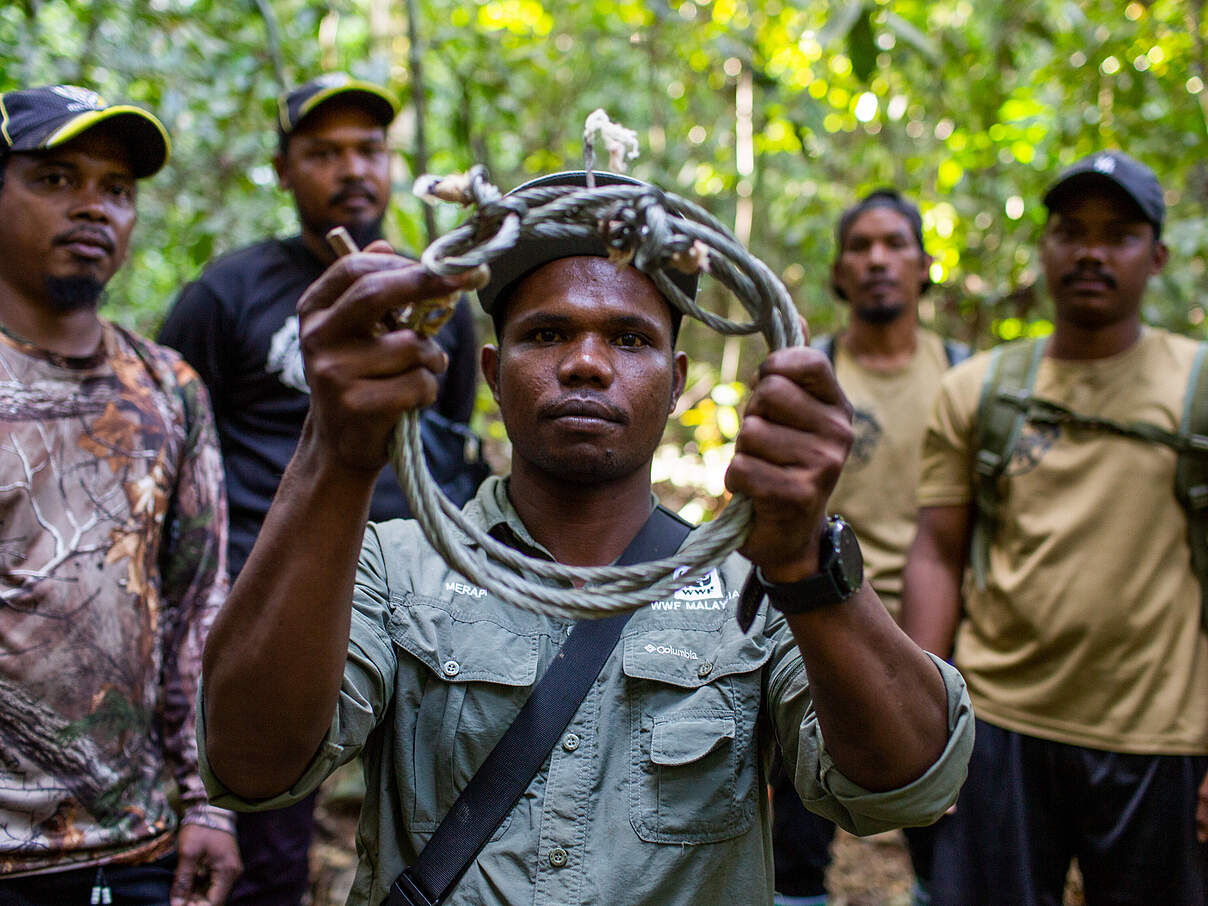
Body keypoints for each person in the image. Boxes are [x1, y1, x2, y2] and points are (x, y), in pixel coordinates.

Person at [198, 170, 974, 906]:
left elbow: (906, 784)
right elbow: (251, 765)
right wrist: (333, 452)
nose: (586, 364)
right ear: (494, 376)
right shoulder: (394, 566)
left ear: (676, 383)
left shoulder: (752, 588)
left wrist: (809, 562)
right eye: (547, 333)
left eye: (629, 340)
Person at [158, 74, 483, 905]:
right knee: (268, 837)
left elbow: (440, 444)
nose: (351, 168)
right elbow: (180, 447)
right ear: (281, 169)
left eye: (368, 149)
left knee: (446, 817)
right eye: (322, 151)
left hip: (415, 603)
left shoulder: (437, 295)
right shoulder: (226, 294)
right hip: (274, 591)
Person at [902, 151, 1208, 905]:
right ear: (1045, 249)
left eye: (1120, 235)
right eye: (1072, 232)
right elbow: (937, 554)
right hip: (1001, 727)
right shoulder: (980, 390)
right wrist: (920, 730)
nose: (1092, 253)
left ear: (1157, 255)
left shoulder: (1198, 388)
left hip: (1163, 738)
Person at [0, 85, 240, 905]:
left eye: (117, 189)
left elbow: (196, 605)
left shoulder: (166, 390)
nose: (93, 208)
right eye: (57, 178)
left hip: (135, 846)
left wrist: (211, 801)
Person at [772, 189, 965, 906]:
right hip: (813, 644)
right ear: (840, 273)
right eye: (861, 247)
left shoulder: (964, 376)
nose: (878, 260)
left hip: (940, 649)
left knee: (947, 859)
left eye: (895, 245)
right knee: (793, 857)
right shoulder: (808, 375)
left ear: (923, 267)